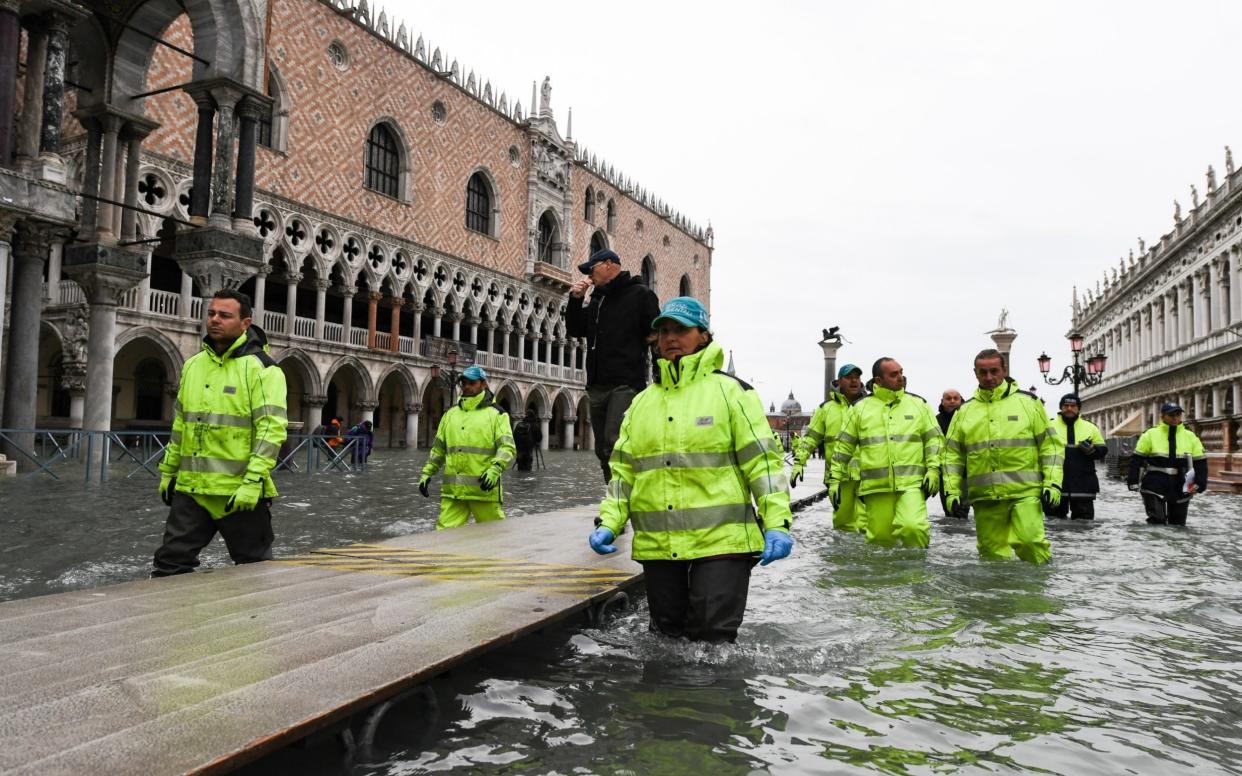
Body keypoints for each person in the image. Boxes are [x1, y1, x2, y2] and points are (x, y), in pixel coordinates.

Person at [587, 297, 793, 642]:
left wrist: (777, 523)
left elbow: (763, 463)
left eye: (681, 329)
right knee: (666, 638)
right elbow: (623, 473)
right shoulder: (641, 404)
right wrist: (609, 522)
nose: (670, 338)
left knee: (711, 638)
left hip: (722, 544)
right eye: (663, 331)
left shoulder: (732, 393)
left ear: (703, 335)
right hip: (659, 545)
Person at [153, 290, 288, 576]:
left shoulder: (264, 369)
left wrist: (252, 483)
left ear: (245, 323)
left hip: (239, 494)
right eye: (211, 313)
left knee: (255, 570)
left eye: (224, 315)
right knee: (168, 566)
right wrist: (168, 471)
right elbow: (181, 425)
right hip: (191, 490)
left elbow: (271, 431)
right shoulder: (192, 366)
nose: (214, 320)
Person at [943, 349, 1061, 564]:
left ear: (1004, 370)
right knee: (992, 558)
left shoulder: (1029, 404)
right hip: (984, 497)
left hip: (1025, 493)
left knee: (1031, 544)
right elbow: (951, 454)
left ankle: (1039, 594)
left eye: (994, 371)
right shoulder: (964, 411)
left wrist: (1053, 483)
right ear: (975, 373)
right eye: (983, 372)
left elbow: (1051, 447)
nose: (989, 377)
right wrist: (951, 491)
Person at [566, 248, 661, 482]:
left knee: (615, 441)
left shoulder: (641, 295)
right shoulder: (598, 301)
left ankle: (623, 498)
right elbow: (575, 329)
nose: (589, 274)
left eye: (592, 268)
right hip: (597, 384)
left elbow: (656, 337)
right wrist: (575, 301)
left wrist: (661, 375)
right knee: (602, 450)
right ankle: (615, 497)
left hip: (626, 383)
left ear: (609, 264)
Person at [828, 358, 942, 549]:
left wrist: (933, 469)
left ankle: (917, 574)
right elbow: (843, 446)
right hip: (876, 488)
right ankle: (884, 578)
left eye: (901, 372)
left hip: (911, 484)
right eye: (893, 374)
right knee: (880, 542)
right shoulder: (860, 409)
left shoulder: (918, 405)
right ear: (878, 381)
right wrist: (835, 479)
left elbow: (934, 439)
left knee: (913, 528)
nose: (900, 377)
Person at [419, 365, 517, 529]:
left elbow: (507, 448)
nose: (466, 386)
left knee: (493, 538)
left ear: (483, 384)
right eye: (463, 383)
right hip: (453, 492)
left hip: (483, 491)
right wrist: (427, 473)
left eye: (472, 383)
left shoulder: (497, 414)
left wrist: (495, 470)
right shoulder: (449, 415)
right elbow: (438, 450)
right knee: (444, 537)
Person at [789, 363, 867, 531]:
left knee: (868, 525)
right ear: (839, 382)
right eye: (849, 377)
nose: (854, 381)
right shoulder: (826, 409)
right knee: (843, 524)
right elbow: (810, 438)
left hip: (868, 475)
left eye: (857, 377)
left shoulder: (870, 407)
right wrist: (798, 463)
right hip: (838, 478)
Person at [1127, 403, 1207, 525]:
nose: (1175, 418)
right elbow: (1136, 460)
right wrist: (1133, 480)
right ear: (1163, 416)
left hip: (1181, 484)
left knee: (1178, 525)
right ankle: (1156, 543)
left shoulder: (1191, 436)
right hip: (1154, 483)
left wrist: (1200, 483)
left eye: (1178, 414)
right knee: (1157, 521)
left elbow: (1201, 463)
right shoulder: (1150, 434)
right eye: (1171, 415)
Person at [1046, 394, 1106, 520]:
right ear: (1060, 408)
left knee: (1084, 527)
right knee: (1053, 526)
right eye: (1066, 406)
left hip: (1083, 486)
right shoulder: (1049, 426)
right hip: (1055, 486)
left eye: (1073, 406)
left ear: (1079, 409)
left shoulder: (1090, 427)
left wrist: (1091, 450)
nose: (1069, 409)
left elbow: (1103, 451)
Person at [936, 389, 970, 518]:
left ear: (961, 401)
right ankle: (952, 537)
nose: (952, 401)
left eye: (956, 398)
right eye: (948, 398)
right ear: (942, 401)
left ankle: (964, 537)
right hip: (944, 474)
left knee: (963, 510)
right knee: (951, 511)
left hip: (967, 473)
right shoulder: (935, 422)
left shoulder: (968, 419)